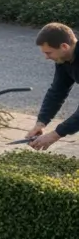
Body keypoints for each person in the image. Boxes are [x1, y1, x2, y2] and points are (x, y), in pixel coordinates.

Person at [26, 22, 79, 150]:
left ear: (64, 46)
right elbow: (57, 91)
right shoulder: (63, 60)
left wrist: (56, 134)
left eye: (49, 53)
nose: (46, 57)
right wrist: (41, 122)